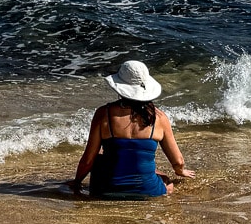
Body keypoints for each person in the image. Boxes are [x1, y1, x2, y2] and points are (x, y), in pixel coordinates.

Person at [72, 59, 195, 199]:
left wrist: (76, 183)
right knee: (164, 178)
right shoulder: (159, 118)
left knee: (100, 159)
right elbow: (178, 161)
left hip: (104, 189)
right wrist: (180, 171)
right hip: (147, 190)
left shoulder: (103, 114)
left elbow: (88, 160)